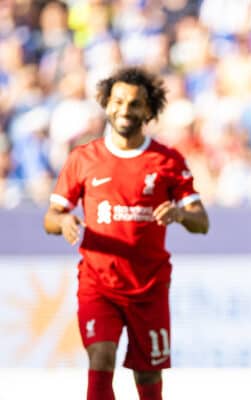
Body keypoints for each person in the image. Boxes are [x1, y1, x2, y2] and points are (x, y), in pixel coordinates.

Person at [43, 66, 210, 400]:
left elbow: (201, 222)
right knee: (101, 359)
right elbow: (52, 216)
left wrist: (179, 214)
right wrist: (64, 222)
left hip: (149, 286)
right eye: (118, 101)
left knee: (148, 375)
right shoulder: (83, 158)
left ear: (148, 110)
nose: (125, 110)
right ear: (106, 104)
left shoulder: (167, 160)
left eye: (134, 104)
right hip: (98, 284)